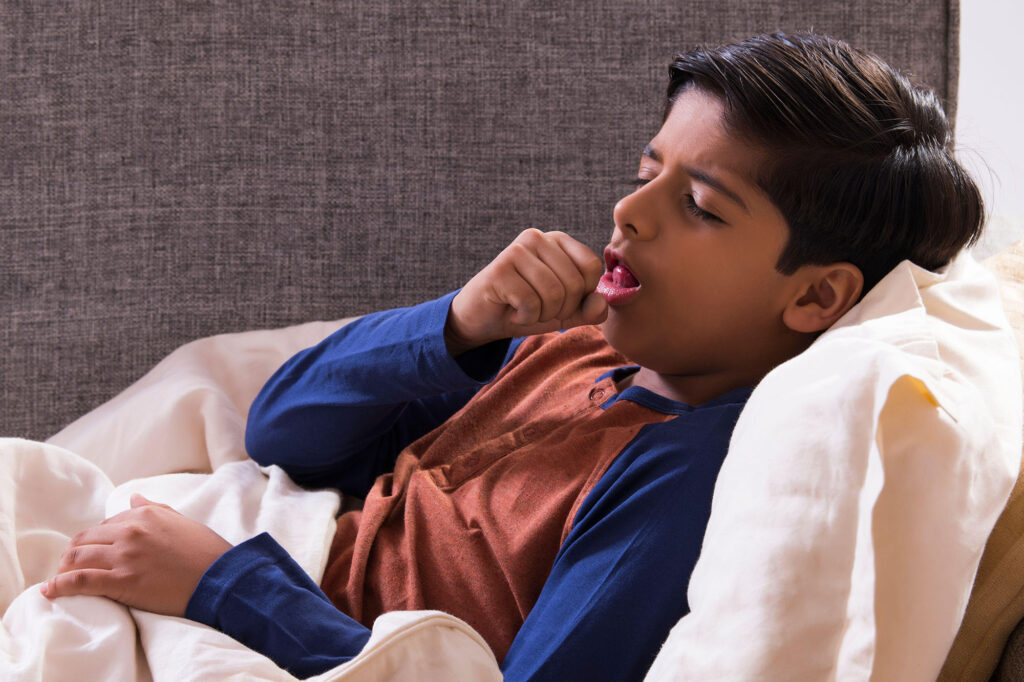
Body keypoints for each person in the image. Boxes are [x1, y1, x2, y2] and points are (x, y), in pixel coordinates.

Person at [41, 32, 983, 680]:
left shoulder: (687, 472)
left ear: (816, 295)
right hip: (245, 538)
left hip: (264, 612)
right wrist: (458, 323)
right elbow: (285, 432)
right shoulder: (571, 347)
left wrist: (218, 583)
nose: (628, 214)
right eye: (645, 172)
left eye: (699, 207)